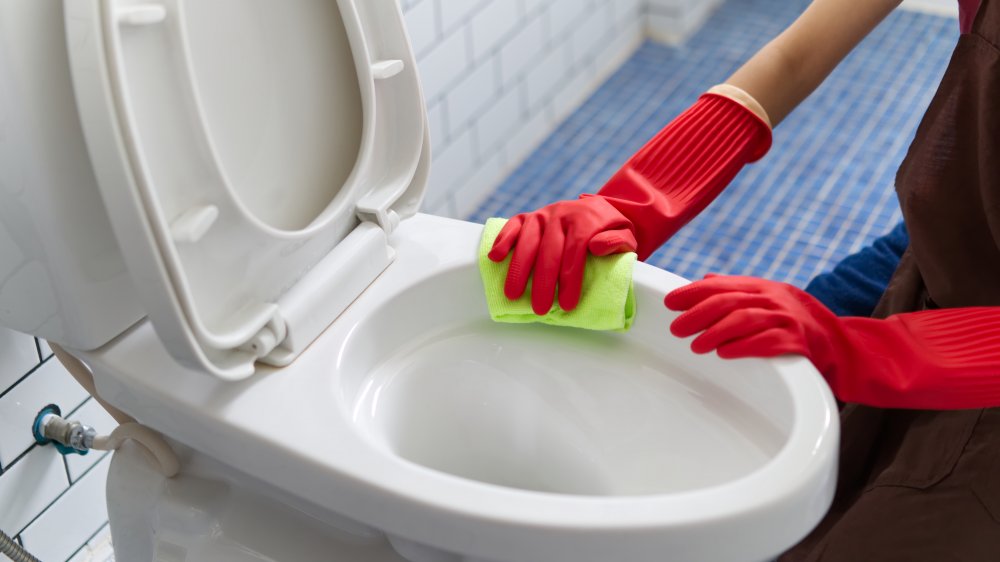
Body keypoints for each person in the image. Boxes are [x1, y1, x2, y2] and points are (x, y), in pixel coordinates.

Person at [488, 0, 1000, 558]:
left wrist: (860, 351)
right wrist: (633, 201)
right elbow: (793, 58)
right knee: (747, 391)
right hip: (945, 243)